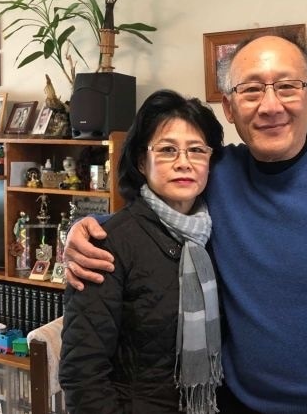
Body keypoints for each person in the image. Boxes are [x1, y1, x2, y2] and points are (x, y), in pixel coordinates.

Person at [63, 32, 307, 414]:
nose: (270, 105)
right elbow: (158, 208)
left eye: (287, 86)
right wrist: (91, 228)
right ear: (229, 108)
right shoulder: (216, 174)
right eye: (251, 90)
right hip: (239, 405)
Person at [58, 89, 224, 414]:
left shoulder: (217, 233)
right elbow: (82, 372)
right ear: (141, 162)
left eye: (196, 151)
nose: (184, 163)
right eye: (166, 150)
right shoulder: (108, 243)